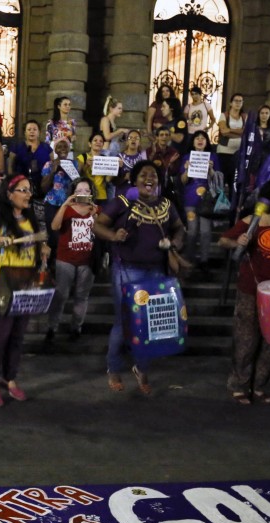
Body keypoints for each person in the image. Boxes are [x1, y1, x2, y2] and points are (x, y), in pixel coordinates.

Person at [94, 161, 184, 394]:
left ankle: (141, 369)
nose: (149, 178)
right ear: (134, 181)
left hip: (156, 271)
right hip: (128, 270)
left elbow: (179, 228)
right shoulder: (123, 201)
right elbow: (97, 225)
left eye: (153, 175)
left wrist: (173, 243)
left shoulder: (166, 204)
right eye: (143, 175)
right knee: (123, 322)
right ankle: (113, 368)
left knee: (149, 323)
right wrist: (114, 235)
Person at [0, 175, 48, 406]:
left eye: (29, 190)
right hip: (1, 283)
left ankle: (9, 378)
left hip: (25, 283)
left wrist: (44, 249)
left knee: (18, 335)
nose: (28, 194)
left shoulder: (31, 218)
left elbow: (36, 244)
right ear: (9, 193)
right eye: (22, 190)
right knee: (0, 335)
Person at [218, 178, 270, 405]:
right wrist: (237, 242)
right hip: (250, 290)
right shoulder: (253, 221)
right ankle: (239, 385)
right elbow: (223, 240)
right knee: (246, 340)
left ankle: (259, 385)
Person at [46, 177, 99, 342]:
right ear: (73, 193)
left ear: (91, 193)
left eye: (86, 191)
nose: (82, 194)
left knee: (82, 296)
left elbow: (101, 230)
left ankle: (76, 327)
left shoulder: (97, 209)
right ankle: (51, 328)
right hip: (65, 258)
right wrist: (65, 204)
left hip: (87, 260)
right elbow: (54, 227)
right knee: (61, 294)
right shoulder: (67, 209)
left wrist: (95, 214)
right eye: (78, 191)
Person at [179, 130, 219, 273]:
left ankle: (204, 260)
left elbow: (217, 180)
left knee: (205, 231)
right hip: (190, 200)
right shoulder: (186, 157)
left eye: (203, 138)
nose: (200, 140)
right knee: (191, 231)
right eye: (197, 138)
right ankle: (189, 260)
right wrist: (186, 170)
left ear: (207, 142)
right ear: (193, 141)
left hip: (207, 201)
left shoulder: (213, 157)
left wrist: (211, 170)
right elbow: (183, 181)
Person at [8, 120, 52, 192]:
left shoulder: (46, 148)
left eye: (35, 129)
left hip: (42, 184)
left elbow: (51, 165)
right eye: (29, 129)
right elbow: (10, 165)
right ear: (25, 132)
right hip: (21, 183)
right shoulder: (17, 147)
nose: (32, 132)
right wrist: (11, 181)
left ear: (39, 132)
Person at [241, 105, 270, 192]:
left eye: (266, 113)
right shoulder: (252, 126)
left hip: (267, 156)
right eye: (262, 113)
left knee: (263, 180)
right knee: (251, 181)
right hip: (253, 156)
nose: (264, 115)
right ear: (258, 114)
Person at [216, 93, 245, 188]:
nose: (238, 103)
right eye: (236, 101)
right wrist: (239, 133)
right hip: (225, 151)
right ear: (230, 103)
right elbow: (224, 131)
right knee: (224, 178)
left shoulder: (245, 117)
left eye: (240, 101)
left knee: (235, 180)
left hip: (239, 151)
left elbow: (246, 132)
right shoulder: (224, 115)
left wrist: (230, 130)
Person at [76, 131, 110, 204]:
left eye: (101, 141)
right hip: (85, 193)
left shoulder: (106, 159)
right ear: (89, 144)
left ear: (103, 145)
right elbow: (78, 175)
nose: (98, 142)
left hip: (101, 195)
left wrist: (115, 169)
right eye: (95, 140)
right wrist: (87, 165)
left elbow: (107, 179)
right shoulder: (83, 157)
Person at [115, 130, 148, 197]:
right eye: (130, 138)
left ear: (139, 142)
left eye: (136, 138)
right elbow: (112, 181)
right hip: (121, 194)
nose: (133, 140)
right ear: (127, 142)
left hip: (138, 195)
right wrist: (124, 178)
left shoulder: (143, 159)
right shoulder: (119, 157)